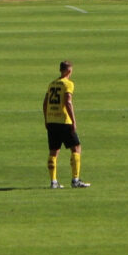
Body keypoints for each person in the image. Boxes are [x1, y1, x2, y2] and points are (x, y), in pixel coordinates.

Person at [43, 60, 88, 188]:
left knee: (53, 151)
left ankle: (53, 182)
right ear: (69, 71)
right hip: (64, 121)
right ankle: (75, 180)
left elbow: (45, 103)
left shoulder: (51, 84)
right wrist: (73, 120)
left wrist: (46, 119)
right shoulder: (68, 84)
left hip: (51, 121)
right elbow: (68, 102)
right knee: (76, 148)